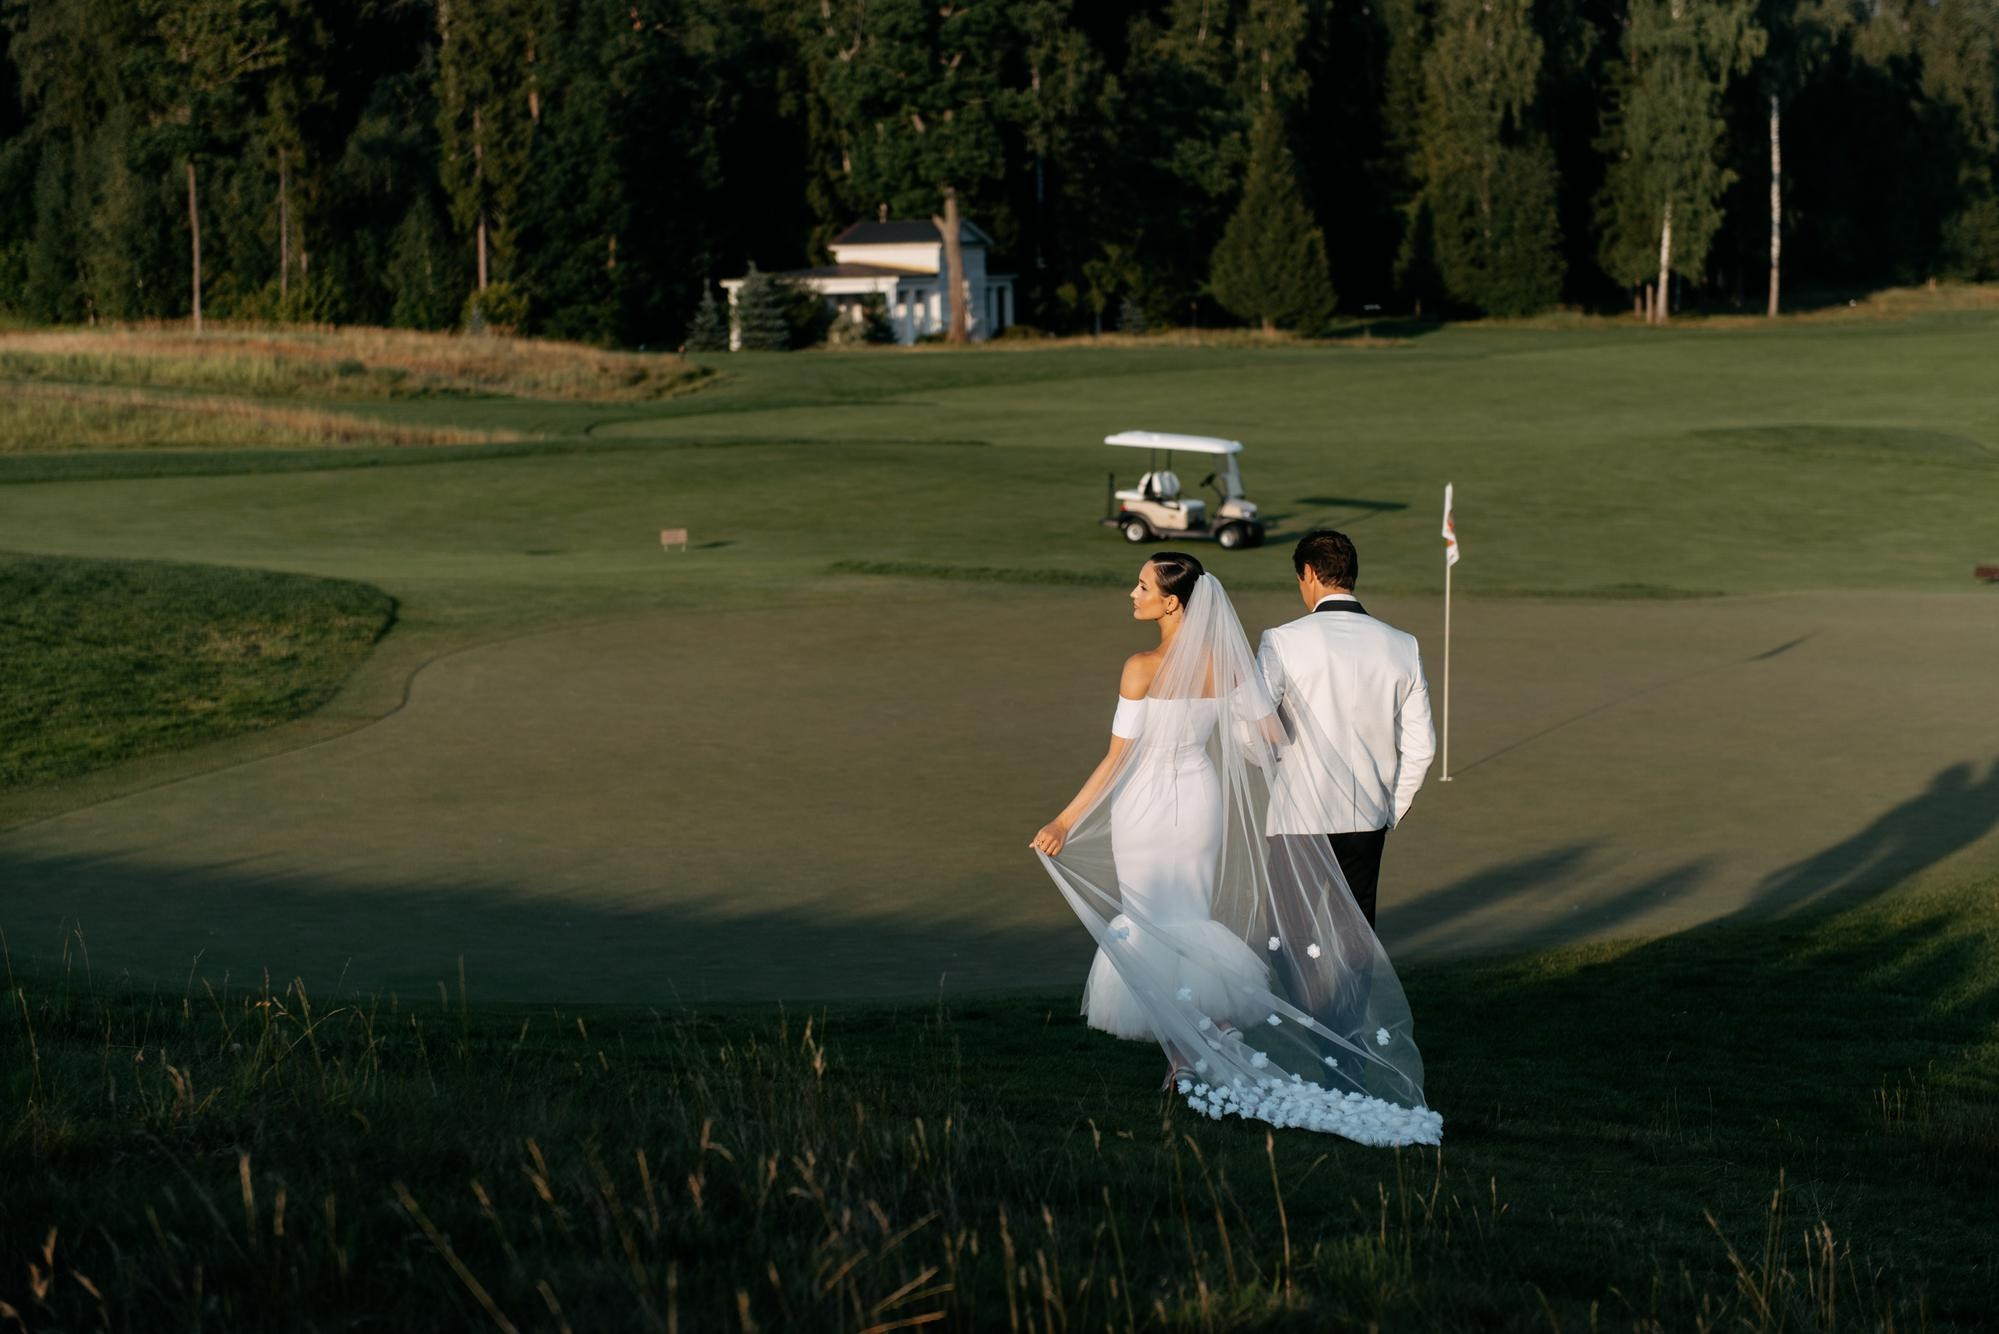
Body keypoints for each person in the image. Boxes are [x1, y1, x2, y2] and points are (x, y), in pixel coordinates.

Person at [1031, 553, 1440, 1146]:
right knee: (1185, 921)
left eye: (1142, 585)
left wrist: (1065, 821)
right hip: (1201, 803)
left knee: (1150, 923)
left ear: (1171, 602)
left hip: (1143, 806)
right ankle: (1203, 1038)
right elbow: (1270, 734)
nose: (1133, 593)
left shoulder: (1139, 667)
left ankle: (1185, 1055)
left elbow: (1116, 758)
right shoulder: (1227, 666)